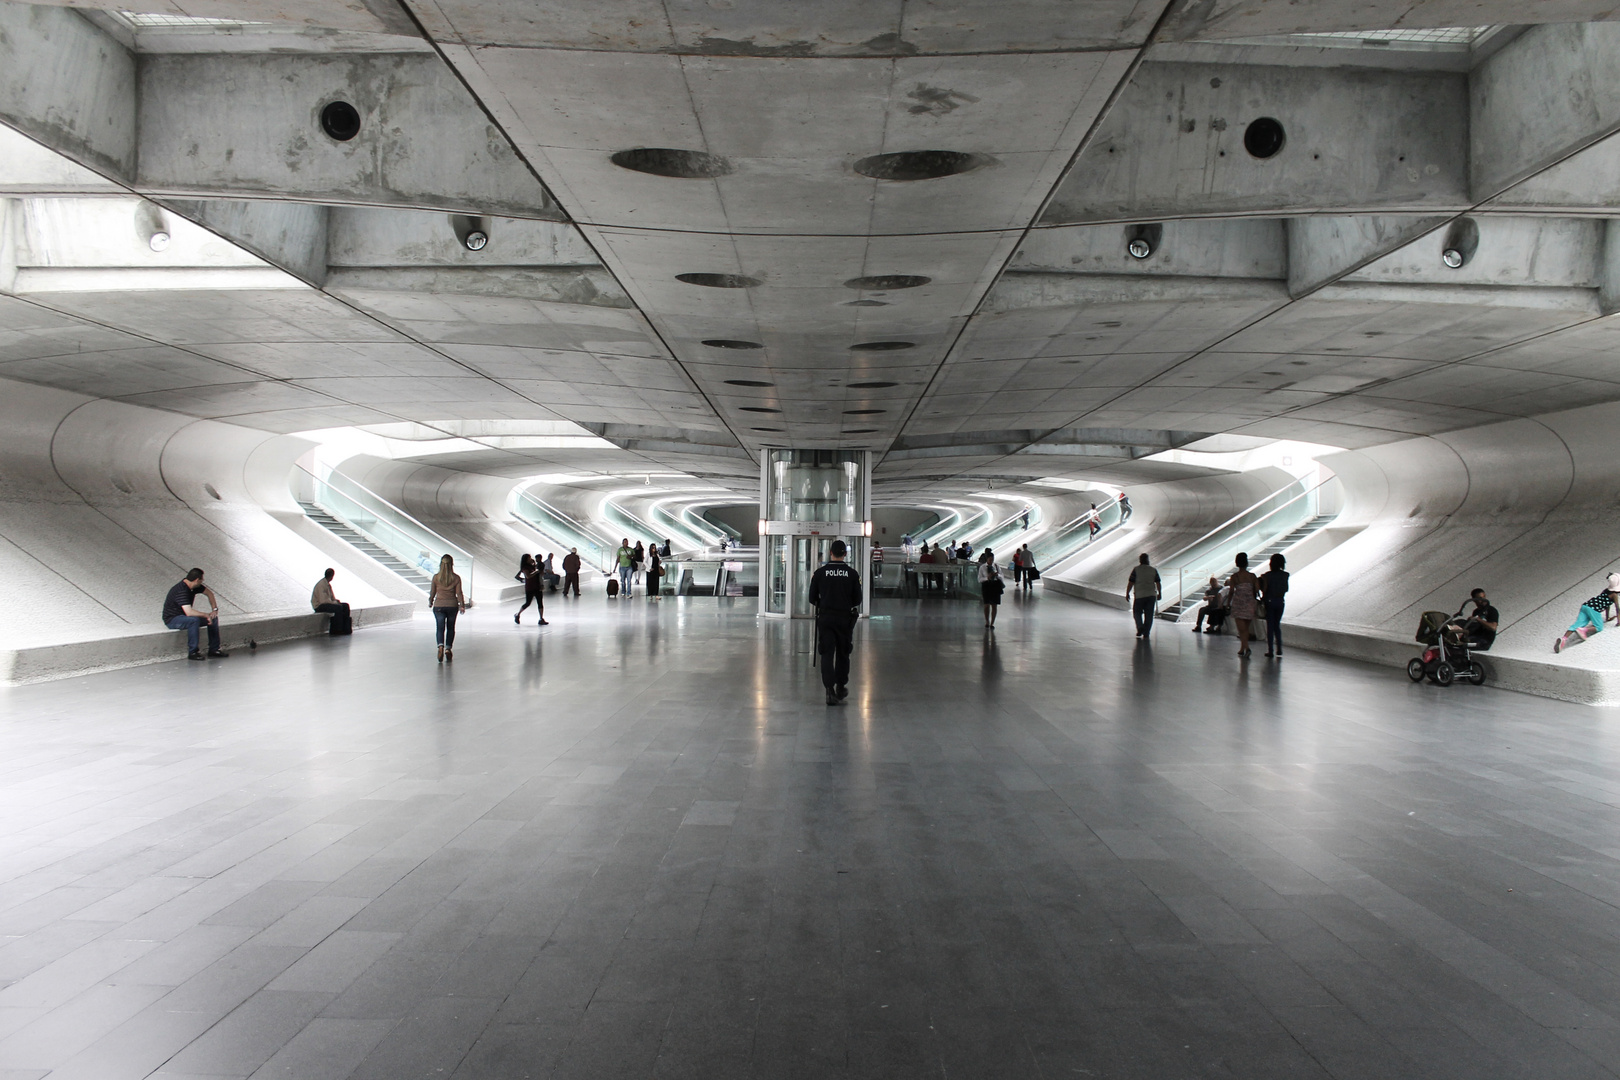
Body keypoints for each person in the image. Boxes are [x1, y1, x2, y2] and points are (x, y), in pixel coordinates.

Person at [807, 539, 861, 705]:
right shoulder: (852, 574)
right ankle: (840, 686)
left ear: (831, 552)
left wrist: (823, 603)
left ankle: (829, 690)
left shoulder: (820, 573)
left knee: (827, 653)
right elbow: (857, 599)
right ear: (845, 554)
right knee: (843, 653)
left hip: (826, 618)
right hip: (844, 619)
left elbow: (811, 597)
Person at [163, 567, 227, 660]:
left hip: (184, 617)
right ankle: (193, 652)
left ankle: (214, 649)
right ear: (197, 580)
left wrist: (214, 609)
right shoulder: (181, 590)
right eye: (202, 579)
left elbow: (210, 594)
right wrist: (206, 615)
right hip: (172, 619)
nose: (203, 581)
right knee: (193, 621)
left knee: (213, 618)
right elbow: (189, 612)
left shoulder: (193, 587)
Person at [1555, 574, 1618, 652]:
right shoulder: (1614, 595)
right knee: (1599, 627)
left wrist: (1607, 617)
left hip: (1586, 605)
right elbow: (1618, 608)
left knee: (1577, 624)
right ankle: (1583, 630)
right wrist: (1618, 621)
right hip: (1594, 609)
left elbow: (1607, 605)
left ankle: (1563, 639)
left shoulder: (1606, 590)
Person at [430, 554, 466, 662]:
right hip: (452, 606)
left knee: (440, 627)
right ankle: (448, 649)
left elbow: (433, 591)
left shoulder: (436, 577)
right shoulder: (456, 578)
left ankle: (440, 646)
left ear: (441, 564)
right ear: (452, 564)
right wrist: (462, 605)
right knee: (450, 628)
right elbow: (459, 593)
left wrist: (430, 601)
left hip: (439, 606)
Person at [1226, 552, 1259, 658]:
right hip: (1250, 604)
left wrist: (1228, 603)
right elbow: (1257, 590)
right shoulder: (1252, 576)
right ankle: (1242, 648)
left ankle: (1247, 648)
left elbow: (1231, 591)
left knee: (1241, 629)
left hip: (1239, 604)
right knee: (1245, 629)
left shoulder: (1235, 577)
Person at [1259, 553, 1289, 658]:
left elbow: (1263, 589)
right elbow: (1286, 589)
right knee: (1277, 625)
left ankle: (1270, 650)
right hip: (1281, 602)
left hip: (1270, 601)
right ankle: (1279, 648)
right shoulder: (1285, 575)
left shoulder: (1267, 576)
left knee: (1270, 626)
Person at [1125, 553, 1161, 638]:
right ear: (1148, 560)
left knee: (1137, 613)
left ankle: (1140, 627)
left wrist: (1127, 593)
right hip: (1151, 595)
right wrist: (1160, 593)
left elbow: (1131, 582)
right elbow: (1158, 582)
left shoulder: (1136, 570)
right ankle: (1146, 632)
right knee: (1149, 615)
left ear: (1140, 560)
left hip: (1139, 595)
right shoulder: (1153, 570)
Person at [311, 567, 351, 635]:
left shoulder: (327, 584)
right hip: (319, 606)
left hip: (326, 603)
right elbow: (323, 601)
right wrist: (335, 603)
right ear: (332, 576)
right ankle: (337, 629)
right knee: (338, 608)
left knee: (345, 606)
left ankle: (345, 628)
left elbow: (331, 597)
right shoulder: (321, 585)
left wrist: (336, 601)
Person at [514, 554, 548, 626]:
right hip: (530, 587)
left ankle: (541, 618)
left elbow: (539, 574)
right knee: (528, 603)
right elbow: (528, 576)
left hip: (537, 586)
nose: (531, 559)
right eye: (529, 558)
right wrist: (536, 572)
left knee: (540, 602)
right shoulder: (525, 568)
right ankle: (518, 614)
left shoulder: (532, 566)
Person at [978, 549, 1004, 627]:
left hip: (995, 586)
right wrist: (987, 578)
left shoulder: (996, 566)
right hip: (986, 586)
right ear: (987, 559)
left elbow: (1001, 576)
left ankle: (992, 622)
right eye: (990, 560)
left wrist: (997, 575)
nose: (991, 561)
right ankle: (987, 621)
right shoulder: (982, 567)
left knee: (994, 605)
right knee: (986, 605)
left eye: (992, 559)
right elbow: (979, 579)